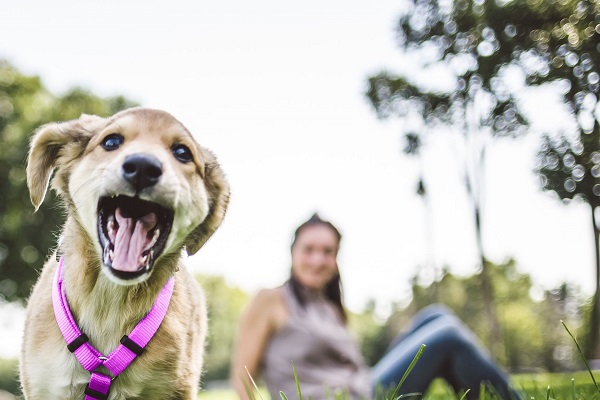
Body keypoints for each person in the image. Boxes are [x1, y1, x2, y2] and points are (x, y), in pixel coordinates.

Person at [230, 214, 522, 400]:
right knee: (447, 335)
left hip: (364, 386)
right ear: (293, 253)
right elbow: (242, 377)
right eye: (309, 250)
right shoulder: (270, 300)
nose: (318, 260)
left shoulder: (329, 308)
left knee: (436, 315)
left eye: (328, 252)